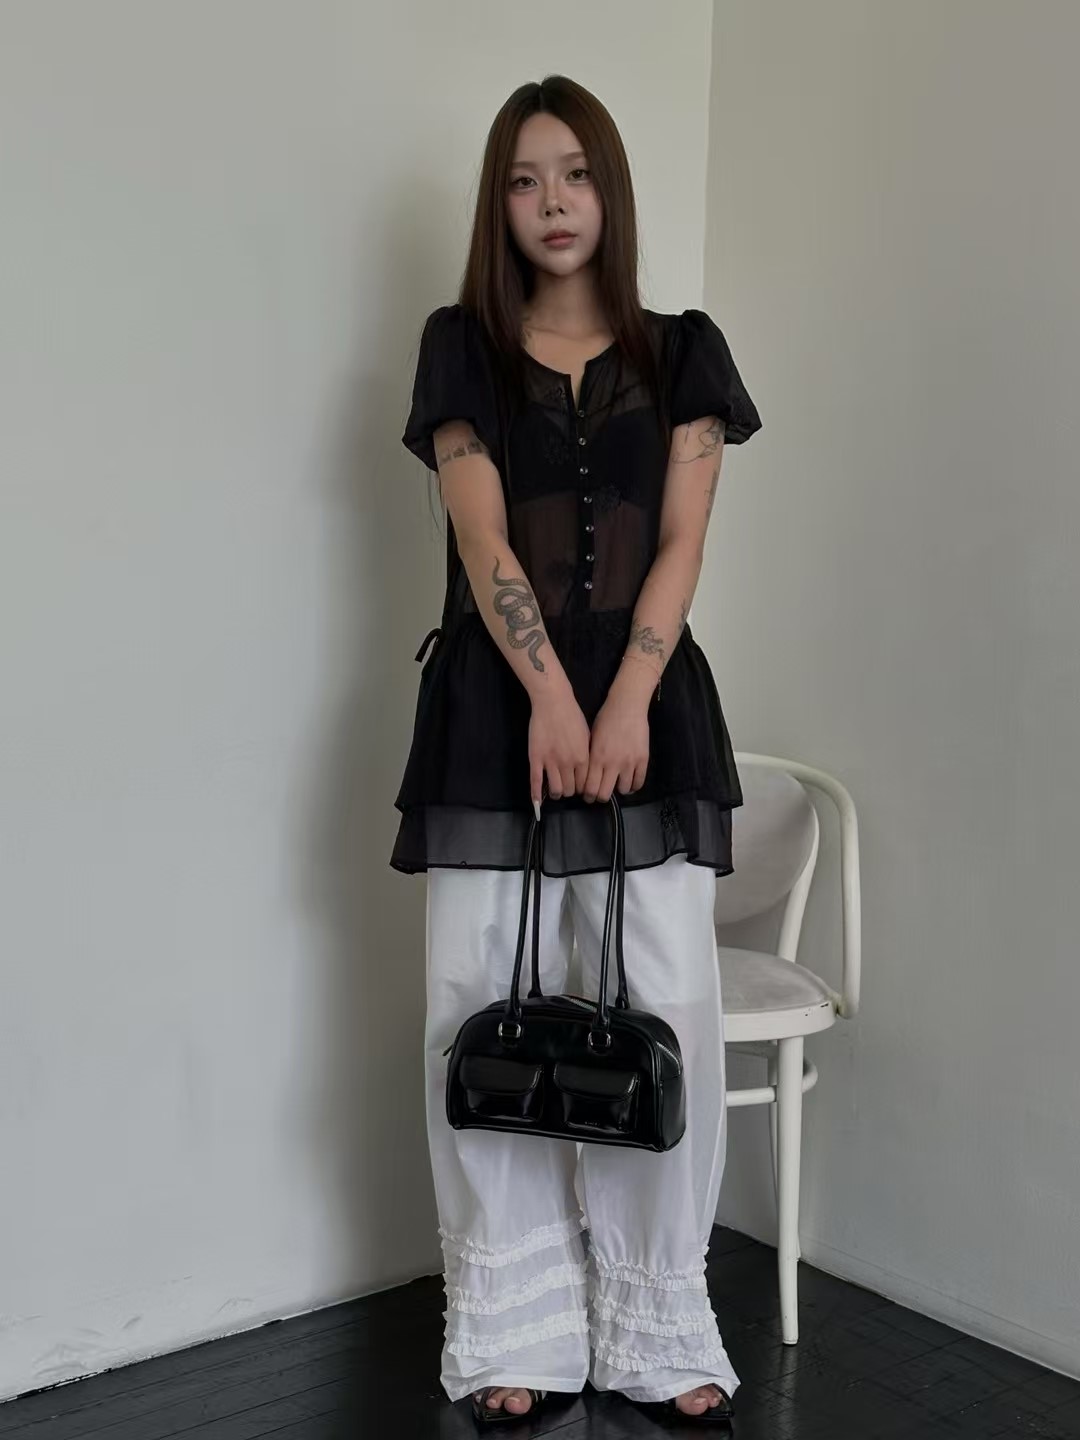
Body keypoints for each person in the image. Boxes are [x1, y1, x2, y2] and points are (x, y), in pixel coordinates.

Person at [392, 75, 762, 1428]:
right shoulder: (462, 352)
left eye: (577, 173)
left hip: (651, 710)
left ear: (611, 189)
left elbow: (683, 543)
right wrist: (551, 695)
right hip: (497, 713)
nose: (553, 202)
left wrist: (624, 701)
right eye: (524, 179)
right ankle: (516, 1326)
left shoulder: (684, 354)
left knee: (658, 997)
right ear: (499, 206)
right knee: (480, 996)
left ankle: (658, 1326)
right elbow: (483, 537)